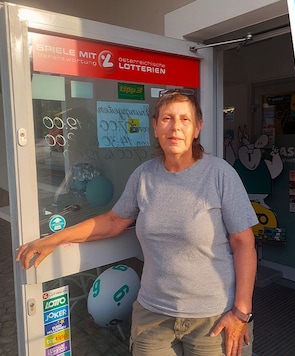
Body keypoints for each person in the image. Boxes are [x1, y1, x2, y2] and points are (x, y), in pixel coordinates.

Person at [16, 90, 258, 356]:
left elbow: (244, 243)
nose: (175, 127)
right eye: (166, 118)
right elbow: (114, 221)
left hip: (211, 319)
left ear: (197, 127)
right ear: (155, 127)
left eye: (185, 119)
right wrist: (56, 237)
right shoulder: (144, 176)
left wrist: (241, 312)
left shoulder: (220, 174)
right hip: (153, 316)